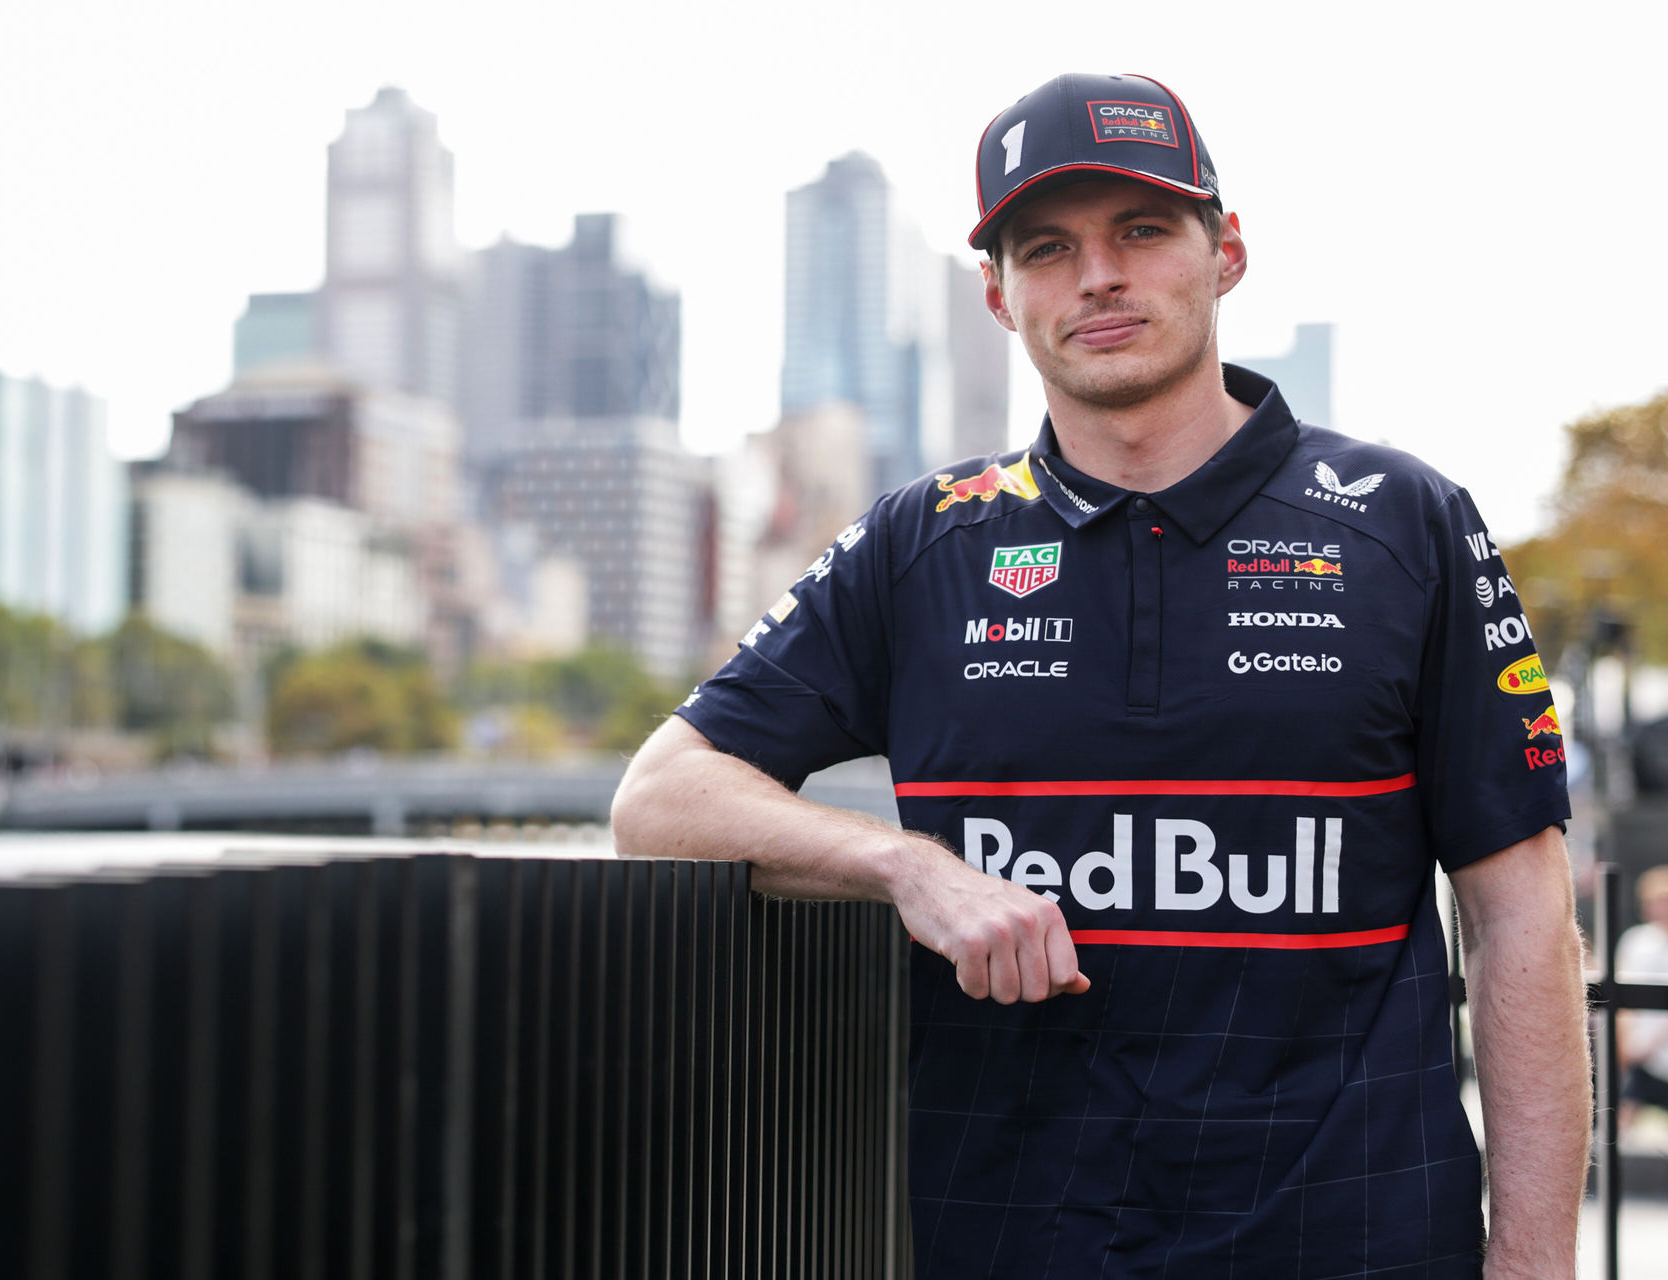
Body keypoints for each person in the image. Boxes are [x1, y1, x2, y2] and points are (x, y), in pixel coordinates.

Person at [613, 72, 1589, 1277]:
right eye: (1047, 248)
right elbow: (659, 797)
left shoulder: (1405, 520)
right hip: (1011, 1241)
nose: (1098, 277)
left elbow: (1520, 911)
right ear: (998, 294)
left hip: (1356, 1239)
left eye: (1141, 230)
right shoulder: (924, 542)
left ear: (1226, 253)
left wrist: (1535, 1260)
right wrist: (909, 867)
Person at [1618, 865, 1668, 1129]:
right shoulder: (1636, 941)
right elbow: (1621, 997)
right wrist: (1626, 1045)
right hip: (1639, 1053)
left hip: (1656, 1049)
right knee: (1624, 1115)